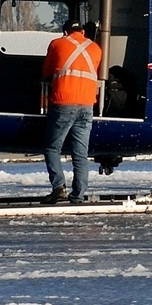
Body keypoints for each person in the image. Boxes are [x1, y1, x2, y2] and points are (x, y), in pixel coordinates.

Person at [42, 19, 102, 203]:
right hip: (87, 105)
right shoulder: (95, 48)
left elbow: (46, 71)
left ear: (65, 31)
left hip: (63, 102)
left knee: (52, 147)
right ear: (82, 32)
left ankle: (58, 187)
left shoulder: (57, 43)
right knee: (80, 153)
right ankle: (78, 195)